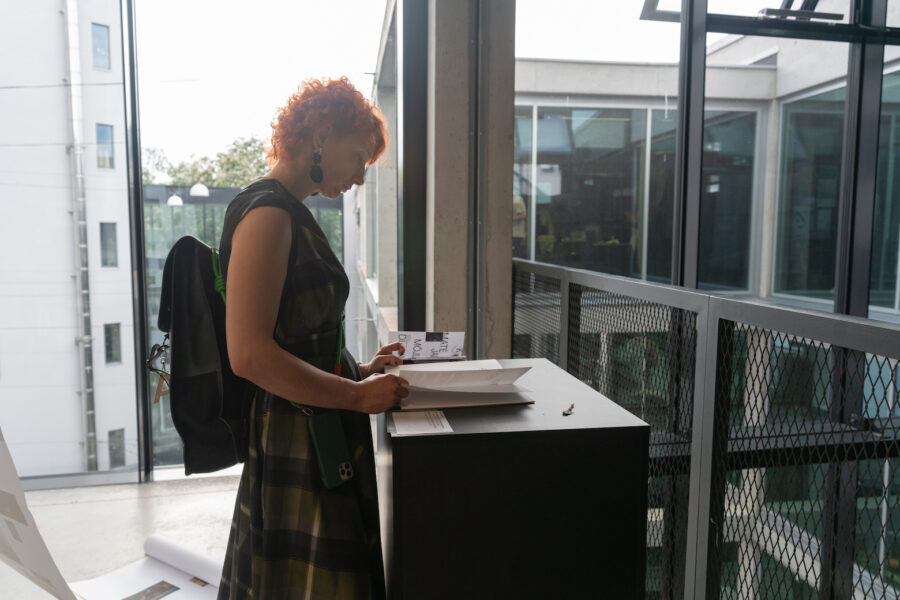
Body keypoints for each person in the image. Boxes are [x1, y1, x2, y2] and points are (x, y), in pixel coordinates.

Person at [217, 77, 408, 599]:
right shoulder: (268, 213)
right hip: (296, 435)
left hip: (309, 428)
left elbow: (297, 337)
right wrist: (355, 396)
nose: (360, 177)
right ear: (321, 136)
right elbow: (250, 354)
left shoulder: (285, 209)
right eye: (360, 157)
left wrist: (358, 372)